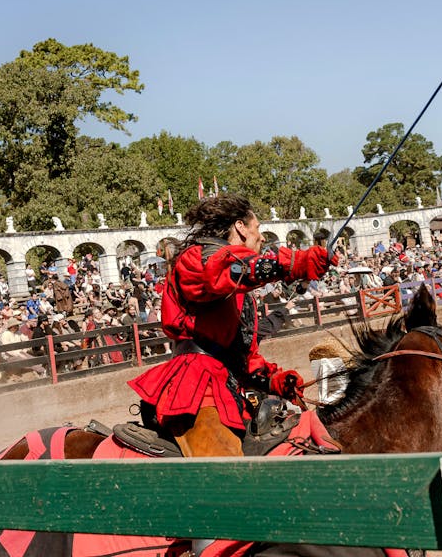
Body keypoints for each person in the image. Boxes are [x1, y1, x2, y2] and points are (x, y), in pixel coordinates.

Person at [127, 193, 336, 457]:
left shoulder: (236, 290)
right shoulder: (197, 259)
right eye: (257, 229)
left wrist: (273, 381)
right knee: (228, 476)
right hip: (197, 390)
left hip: (227, 385)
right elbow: (233, 268)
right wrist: (295, 263)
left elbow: (241, 356)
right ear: (240, 227)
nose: (261, 237)